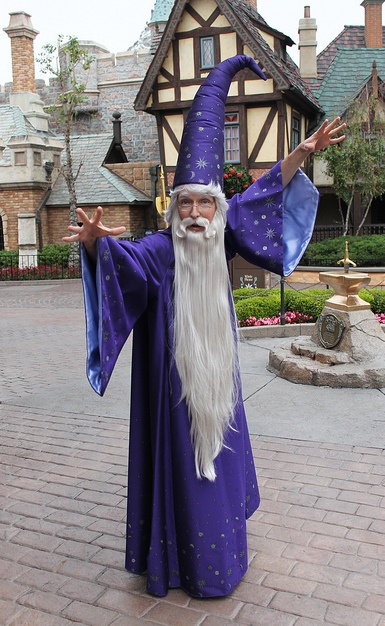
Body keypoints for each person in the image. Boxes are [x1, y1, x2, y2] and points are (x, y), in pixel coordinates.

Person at [64, 55, 345, 598]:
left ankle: (225, 552)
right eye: (186, 203)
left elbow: (261, 193)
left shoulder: (223, 233)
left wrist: (303, 152)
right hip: (174, 394)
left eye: (204, 204)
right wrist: (100, 246)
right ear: (175, 208)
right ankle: (181, 564)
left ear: (218, 210)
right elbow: (126, 262)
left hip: (222, 382)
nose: (195, 213)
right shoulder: (160, 250)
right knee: (186, 471)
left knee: (224, 455)